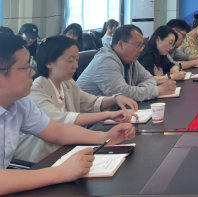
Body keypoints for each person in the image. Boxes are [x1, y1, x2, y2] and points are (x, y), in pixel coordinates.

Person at [0, 33, 136, 195]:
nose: (32, 73)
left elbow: (57, 131)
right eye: (25, 68)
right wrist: (60, 172)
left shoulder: (21, 103)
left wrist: (105, 137)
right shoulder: (36, 90)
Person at [14, 35, 137, 163]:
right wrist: (108, 115)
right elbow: (61, 121)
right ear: (49, 62)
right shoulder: (36, 90)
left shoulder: (67, 83)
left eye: (77, 60)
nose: (76, 65)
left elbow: (91, 102)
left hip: (66, 149)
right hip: (40, 158)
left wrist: (115, 99)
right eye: (70, 61)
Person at [77, 25, 176, 101]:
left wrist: (138, 91)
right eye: (137, 45)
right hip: (89, 119)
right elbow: (122, 94)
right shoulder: (106, 61)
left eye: (141, 46)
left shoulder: (130, 60)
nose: (141, 50)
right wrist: (157, 90)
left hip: (114, 113)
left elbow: (150, 78)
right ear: (121, 44)